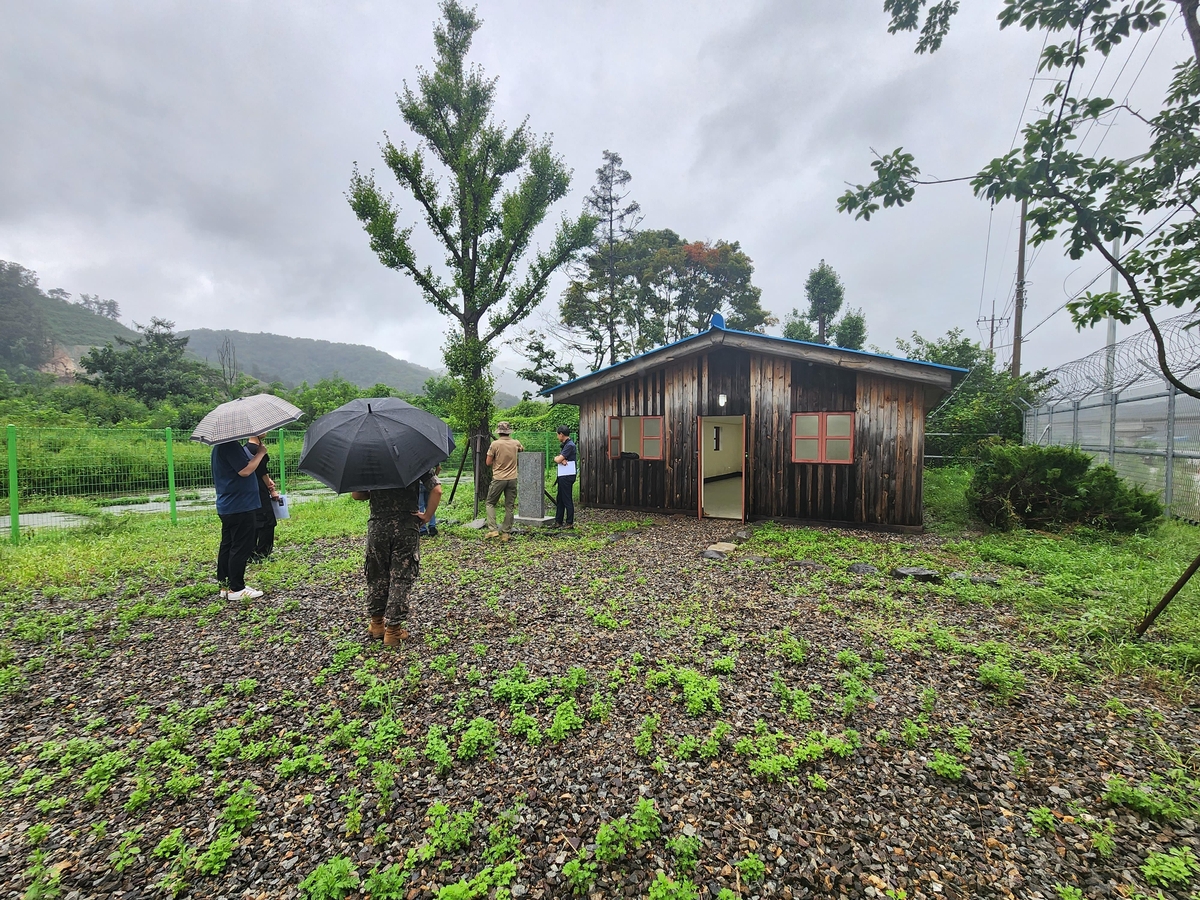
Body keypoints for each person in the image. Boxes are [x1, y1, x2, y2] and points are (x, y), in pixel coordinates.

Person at [352, 469, 441, 646]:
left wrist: (377, 492)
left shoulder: (372, 462)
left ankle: (377, 624)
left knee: (377, 574)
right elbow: (437, 489)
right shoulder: (416, 462)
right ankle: (393, 631)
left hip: (378, 527)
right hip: (406, 527)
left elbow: (357, 494)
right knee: (401, 577)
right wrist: (427, 516)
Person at [212, 439, 267, 600]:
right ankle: (237, 588)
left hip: (228, 505)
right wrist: (261, 454)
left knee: (228, 545)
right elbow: (245, 471)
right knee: (241, 545)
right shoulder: (231, 445)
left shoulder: (220, 446)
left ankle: (225, 585)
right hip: (240, 505)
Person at [484, 422, 523, 541]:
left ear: (499, 432)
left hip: (499, 478)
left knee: (490, 503)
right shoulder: (515, 443)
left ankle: (493, 529)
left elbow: (488, 462)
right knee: (509, 506)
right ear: (509, 431)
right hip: (512, 478)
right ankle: (506, 533)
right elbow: (522, 449)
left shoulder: (495, 444)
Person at [247, 434, 281, 560]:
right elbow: (262, 471)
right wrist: (271, 489)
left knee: (255, 521)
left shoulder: (245, 448)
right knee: (268, 521)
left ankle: (251, 552)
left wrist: (268, 479)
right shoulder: (257, 450)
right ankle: (262, 553)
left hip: (250, 491)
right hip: (260, 490)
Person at [553, 425, 577, 528]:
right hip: (563, 475)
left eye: (557, 435)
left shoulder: (569, 445)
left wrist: (558, 458)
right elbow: (560, 458)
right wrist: (560, 459)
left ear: (561, 434)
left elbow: (558, 459)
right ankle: (558, 521)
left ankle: (569, 522)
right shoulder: (565, 445)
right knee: (560, 499)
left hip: (567, 476)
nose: (557, 437)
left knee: (567, 499)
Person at [418, 464, 441, 538]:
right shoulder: (429, 457)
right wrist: (434, 478)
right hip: (430, 483)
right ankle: (432, 527)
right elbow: (439, 468)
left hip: (418, 483)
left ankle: (422, 529)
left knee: (420, 506)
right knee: (430, 505)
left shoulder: (414, 459)